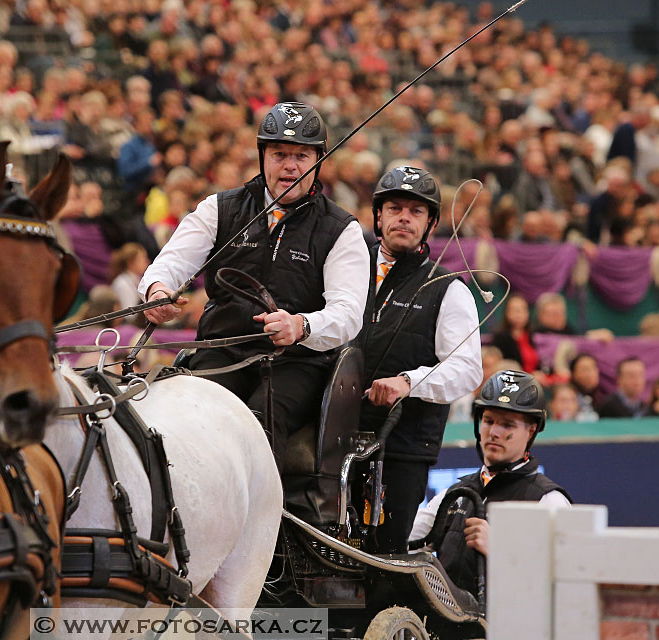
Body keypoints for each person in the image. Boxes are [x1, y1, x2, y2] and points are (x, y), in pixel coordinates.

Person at [139, 102, 370, 471]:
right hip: (221, 349)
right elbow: (170, 263)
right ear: (263, 157)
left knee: (255, 427)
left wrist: (301, 325)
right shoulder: (220, 208)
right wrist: (157, 290)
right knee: (190, 420)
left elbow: (347, 313)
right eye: (279, 154)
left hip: (296, 363)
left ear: (318, 161)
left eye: (301, 156)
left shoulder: (341, 229)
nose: (290, 166)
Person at [357, 165, 483, 553]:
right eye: (395, 208)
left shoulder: (448, 289)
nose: (403, 218)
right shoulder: (345, 270)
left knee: (381, 559)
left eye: (416, 212)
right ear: (378, 216)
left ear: (430, 223)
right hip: (333, 438)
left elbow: (466, 369)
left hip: (402, 448)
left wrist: (409, 382)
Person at [409, 370, 572, 595]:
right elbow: (406, 540)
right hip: (446, 623)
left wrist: (498, 548)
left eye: (508, 425)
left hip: (509, 626)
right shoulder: (456, 493)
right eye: (488, 421)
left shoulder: (549, 500)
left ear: (531, 430)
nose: (494, 432)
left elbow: (566, 578)